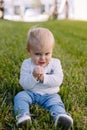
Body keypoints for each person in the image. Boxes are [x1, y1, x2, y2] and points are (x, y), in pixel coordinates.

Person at [14, 27, 73, 129]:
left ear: (51, 50)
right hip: (30, 93)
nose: (42, 58)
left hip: (50, 94)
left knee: (56, 102)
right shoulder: (27, 64)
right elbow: (23, 83)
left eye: (47, 53)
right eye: (37, 54)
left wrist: (43, 78)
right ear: (29, 51)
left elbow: (58, 80)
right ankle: (23, 116)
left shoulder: (55, 63)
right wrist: (34, 76)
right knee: (20, 96)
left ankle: (60, 116)